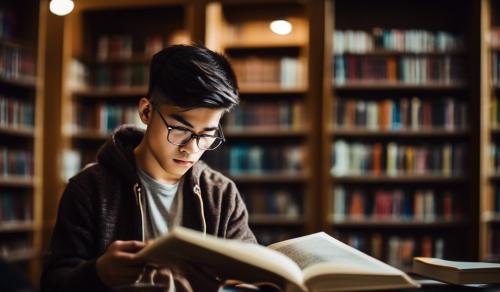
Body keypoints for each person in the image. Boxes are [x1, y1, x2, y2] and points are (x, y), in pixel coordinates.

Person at [41, 45, 256, 292]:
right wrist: (98, 273)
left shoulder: (222, 196)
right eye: (180, 130)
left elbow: (250, 278)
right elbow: (52, 283)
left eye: (207, 135)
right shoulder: (89, 189)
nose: (191, 149)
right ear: (146, 111)